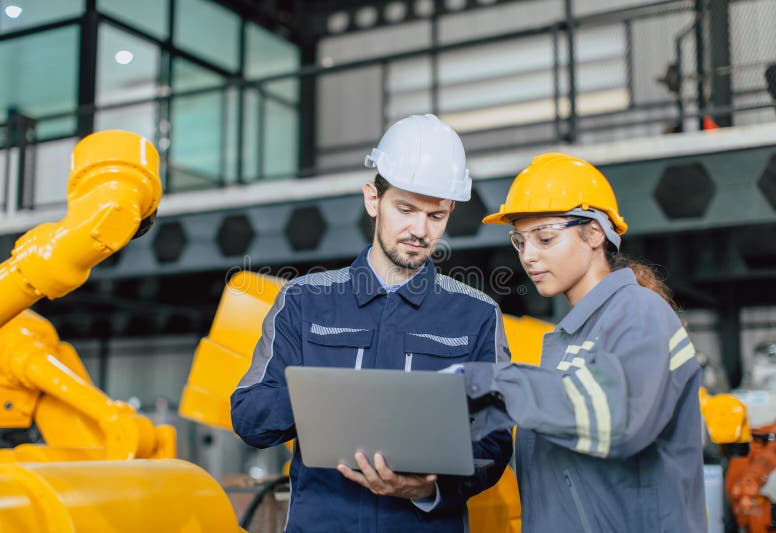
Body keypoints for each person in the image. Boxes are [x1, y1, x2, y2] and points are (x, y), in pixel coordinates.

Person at [231, 114, 513, 533]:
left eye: (436, 216)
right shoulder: (305, 301)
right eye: (406, 209)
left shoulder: (477, 315)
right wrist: (324, 399)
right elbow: (249, 416)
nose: (420, 230)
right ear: (372, 200)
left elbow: (493, 443)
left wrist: (425, 489)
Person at [458, 152, 707, 533]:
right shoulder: (566, 341)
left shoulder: (639, 312)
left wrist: (489, 382)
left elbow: (618, 417)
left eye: (544, 238)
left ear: (594, 233)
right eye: (519, 241)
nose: (528, 256)